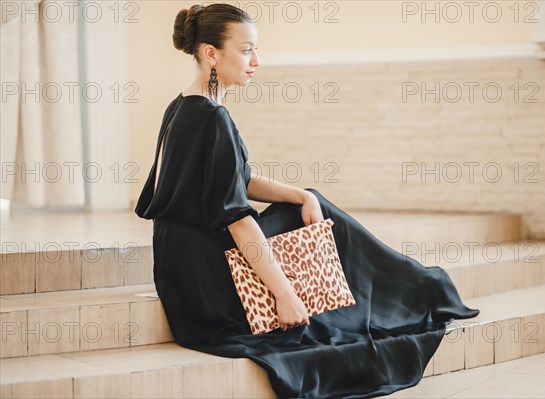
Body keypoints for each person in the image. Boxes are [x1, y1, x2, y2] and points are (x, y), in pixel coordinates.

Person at [135, 3, 480, 398]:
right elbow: (236, 218)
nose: (257, 61)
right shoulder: (212, 117)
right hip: (211, 282)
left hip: (180, 270)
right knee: (321, 220)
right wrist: (286, 295)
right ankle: (420, 288)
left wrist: (300, 194)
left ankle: (417, 286)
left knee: (310, 201)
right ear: (211, 53)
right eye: (246, 50)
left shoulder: (182, 106)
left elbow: (236, 180)